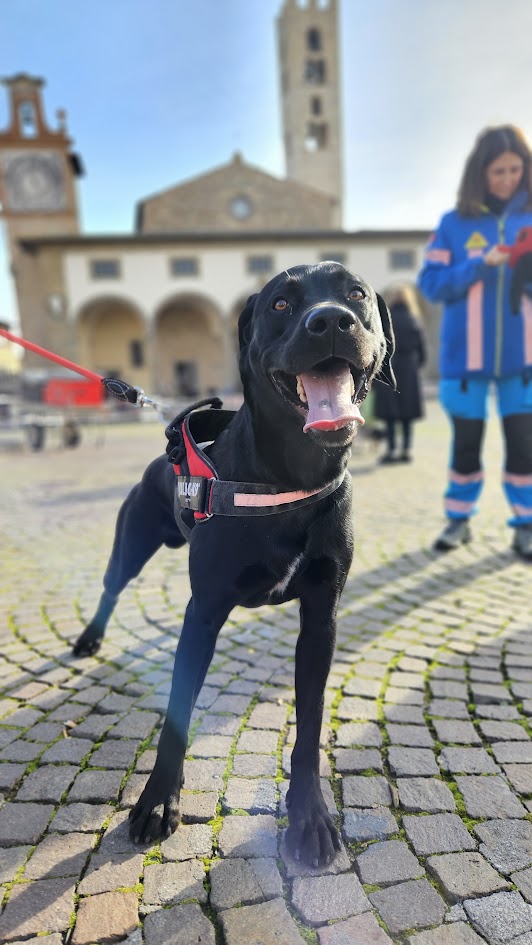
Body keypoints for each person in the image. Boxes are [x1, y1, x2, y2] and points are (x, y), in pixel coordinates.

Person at [418, 124, 532, 559]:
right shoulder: (453, 225)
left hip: (525, 361)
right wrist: (480, 263)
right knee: (466, 445)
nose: (507, 179)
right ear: (480, 172)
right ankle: (459, 519)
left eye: (515, 170)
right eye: (498, 171)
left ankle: (526, 524)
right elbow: (431, 284)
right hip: (465, 361)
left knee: (524, 447)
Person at [373, 285, 426, 463]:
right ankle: (406, 450)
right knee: (407, 415)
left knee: (390, 415)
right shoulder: (414, 320)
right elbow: (422, 353)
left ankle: (391, 450)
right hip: (409, 370)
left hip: (389, 367)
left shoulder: (384, 320)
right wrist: (415, 366)